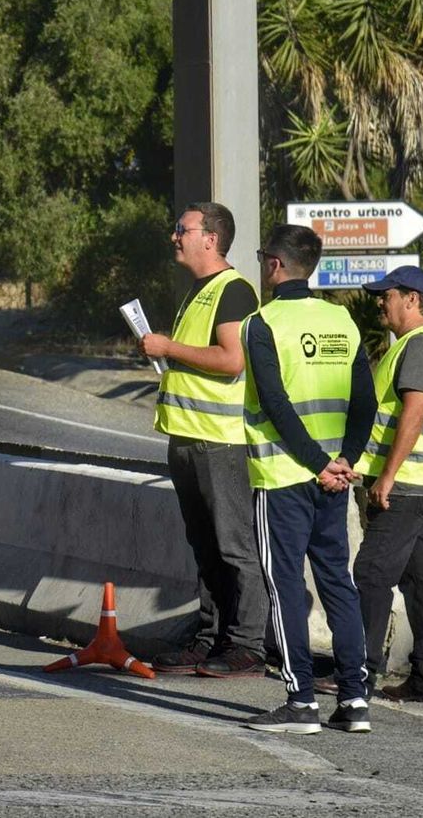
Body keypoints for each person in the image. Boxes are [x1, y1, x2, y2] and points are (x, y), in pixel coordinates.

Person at [240, 223, 377, 735]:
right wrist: (346, 459)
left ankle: (300, 701)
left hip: (282, 475)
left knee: (285, 587)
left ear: (275, 265)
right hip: (334, 479)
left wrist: (318, 462)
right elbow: (364, 400)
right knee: (337, 582)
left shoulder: (262, 323)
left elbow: (275, 404)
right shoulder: (341, 319)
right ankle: (355, 699)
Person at [140, 202, 267, 679]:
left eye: (182, 229)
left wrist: (168, 347)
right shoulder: (199, 290)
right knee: (205, 546)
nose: (175, 236)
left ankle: (247, 644)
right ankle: (210, 637)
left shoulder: (233, 291)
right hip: (187, 437)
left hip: (219, 441)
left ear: (210, 238)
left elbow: (232, 360)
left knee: (234, 547)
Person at [352, 266, 423, 704]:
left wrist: (388, 475)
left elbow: (415, 411)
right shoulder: (417, 345)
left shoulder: (418, 346)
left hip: (410, 484)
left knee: (371, 572)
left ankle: (359, 673)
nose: (380, 302)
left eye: (387, 295)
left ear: (412, 299)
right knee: (420, 578)